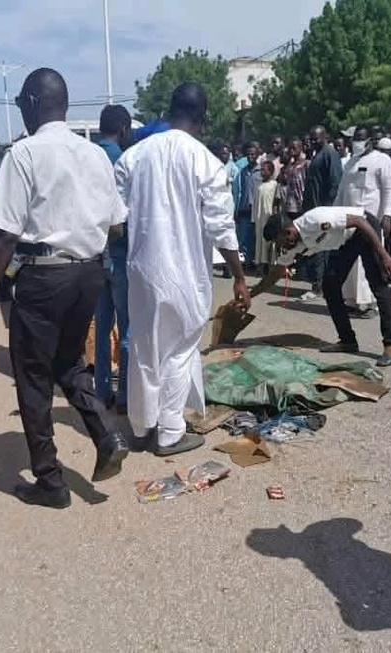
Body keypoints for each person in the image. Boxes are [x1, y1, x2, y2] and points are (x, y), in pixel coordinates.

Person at [0, 68, 128, 508]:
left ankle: (50, 482)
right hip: (88, 273)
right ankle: (106, 434)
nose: (21, 109)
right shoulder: (95, 154)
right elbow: (117, 224)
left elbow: (3, 237)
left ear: (34, 103)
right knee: (69, 363)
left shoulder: (25, 153)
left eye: (22, 102)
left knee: (33, 377)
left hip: (44, 276)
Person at [115, 82, 250, 456]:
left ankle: (141, 427)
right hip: (186, 274)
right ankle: (170, 432)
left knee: (144, 346)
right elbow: (222, 228)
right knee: (180, 349)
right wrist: (240, 277)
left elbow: (113, 218)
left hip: (142, 272)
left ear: (167, 112)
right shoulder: (206, 162)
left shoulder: (133, 157)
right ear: (203, 119)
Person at [253, 209, 391, 366]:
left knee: (378, 285)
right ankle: (347, 341)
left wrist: (383, 254)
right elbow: (274, 275)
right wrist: (250, 295)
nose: (280, 246)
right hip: (345, 241)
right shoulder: (292, 244)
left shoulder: (316, 220)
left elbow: (360, 221)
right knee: (330, 287)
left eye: (278, 242)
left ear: (288, 232)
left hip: (364, 229)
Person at [94, 104, 133, 415]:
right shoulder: (124, 161)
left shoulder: (87, 158)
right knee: (127, 326)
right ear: (123, 129)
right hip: (120, 254)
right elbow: (125, 217)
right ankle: (125, 395)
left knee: (102, 327)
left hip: (94, 255)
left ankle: (102, 389)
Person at [335, 126, 391, 317]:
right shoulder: (351, 162)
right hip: (349, 221)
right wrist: (335, 213)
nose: (356, 142)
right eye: (355, 138)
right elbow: (342, 190)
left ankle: (370, 303)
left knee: (369, 265)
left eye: (360, 138)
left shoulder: (382, 160)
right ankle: (352, 301)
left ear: (370, 140)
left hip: (370, 221)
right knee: (352, 265)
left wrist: (387, 215)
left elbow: (390, 189)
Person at [299, 125, 344, 301]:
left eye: (315, 138)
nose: (312, 141)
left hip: (323, 210)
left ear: (324, 137)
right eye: (311, 138)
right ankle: (318, 284)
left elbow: (335, 183)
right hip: (313, 209)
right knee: (316, 247)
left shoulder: (330, 154)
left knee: (321, 248)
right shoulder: (317, 154)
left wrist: (327, 209)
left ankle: (319, 287)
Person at [236, 141, 261, 266]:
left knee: (256, 236)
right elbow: (240, 190)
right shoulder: (243, 171)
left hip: (257, 209)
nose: (250, 157)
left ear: (257, 155)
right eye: (248, 155)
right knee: (244, 236)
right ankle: (246, 261)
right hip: (245, 208)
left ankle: (255, 260)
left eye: (253, 154)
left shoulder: (261, 171)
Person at [253, 159, 280, 270]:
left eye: (264, 170)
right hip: (259, 218)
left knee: (269, 241)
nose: (262, 172)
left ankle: (270, 264)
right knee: (259, 240)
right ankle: (260, 263)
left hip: (269, 217)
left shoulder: (274, 185)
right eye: (261, 170)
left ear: (271, 171)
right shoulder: (259, 186)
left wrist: (274, 216)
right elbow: (255, 204)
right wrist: (254, 218)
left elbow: (277, 201)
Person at [282, 137, 308, 220]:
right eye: (290, 148)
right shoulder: (290, 165)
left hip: (301, 202)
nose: (291, 150)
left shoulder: (305, 164)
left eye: (294, 148)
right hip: (290, 204)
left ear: (300, 148)